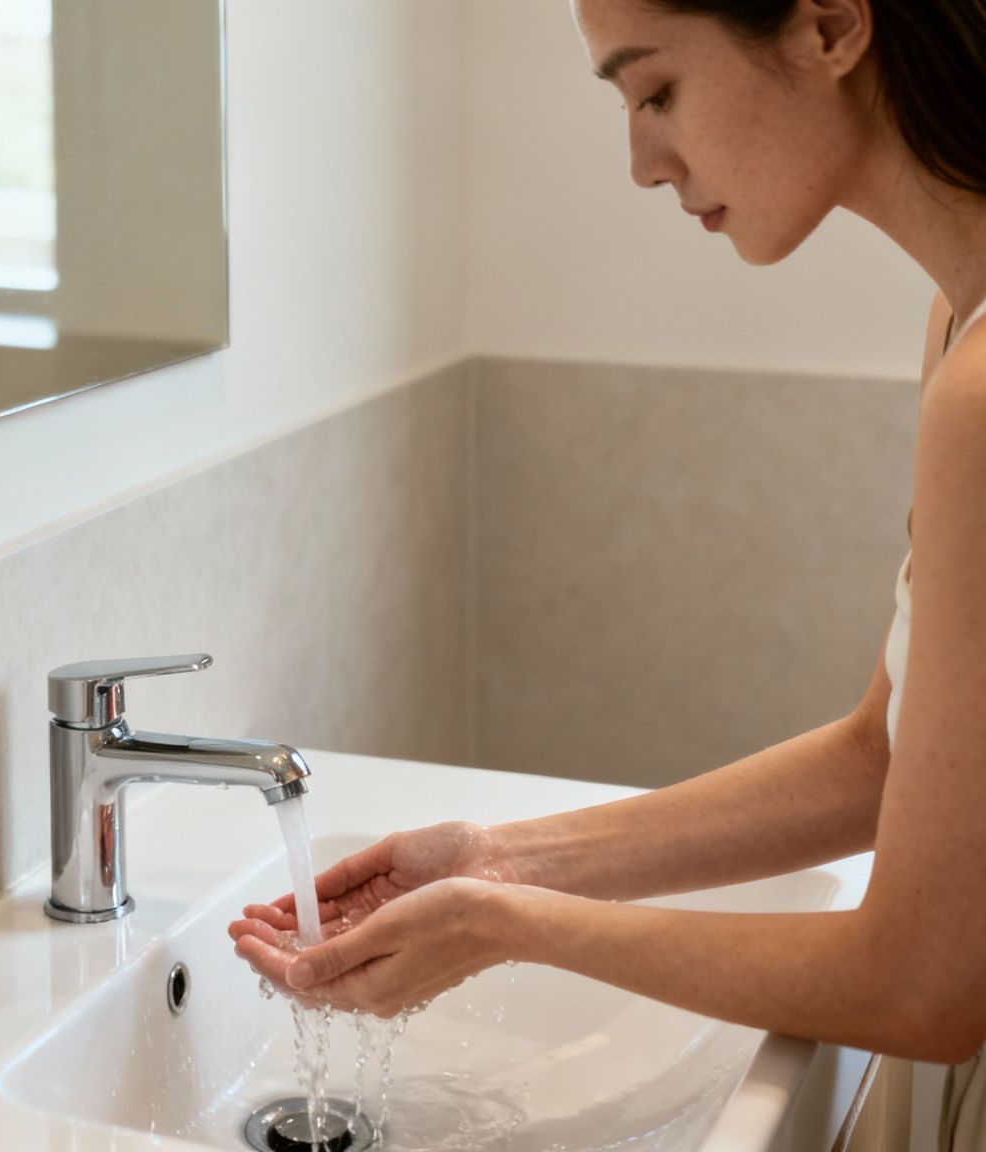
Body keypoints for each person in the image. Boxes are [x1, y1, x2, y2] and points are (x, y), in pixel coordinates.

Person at [233, 0, 986, 1141]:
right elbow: (883, 759)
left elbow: (920, 986)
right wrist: (502, 860)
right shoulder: (956, 322)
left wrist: (503, 925)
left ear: (831, 25)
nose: (641, 164)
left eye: (655, 93)